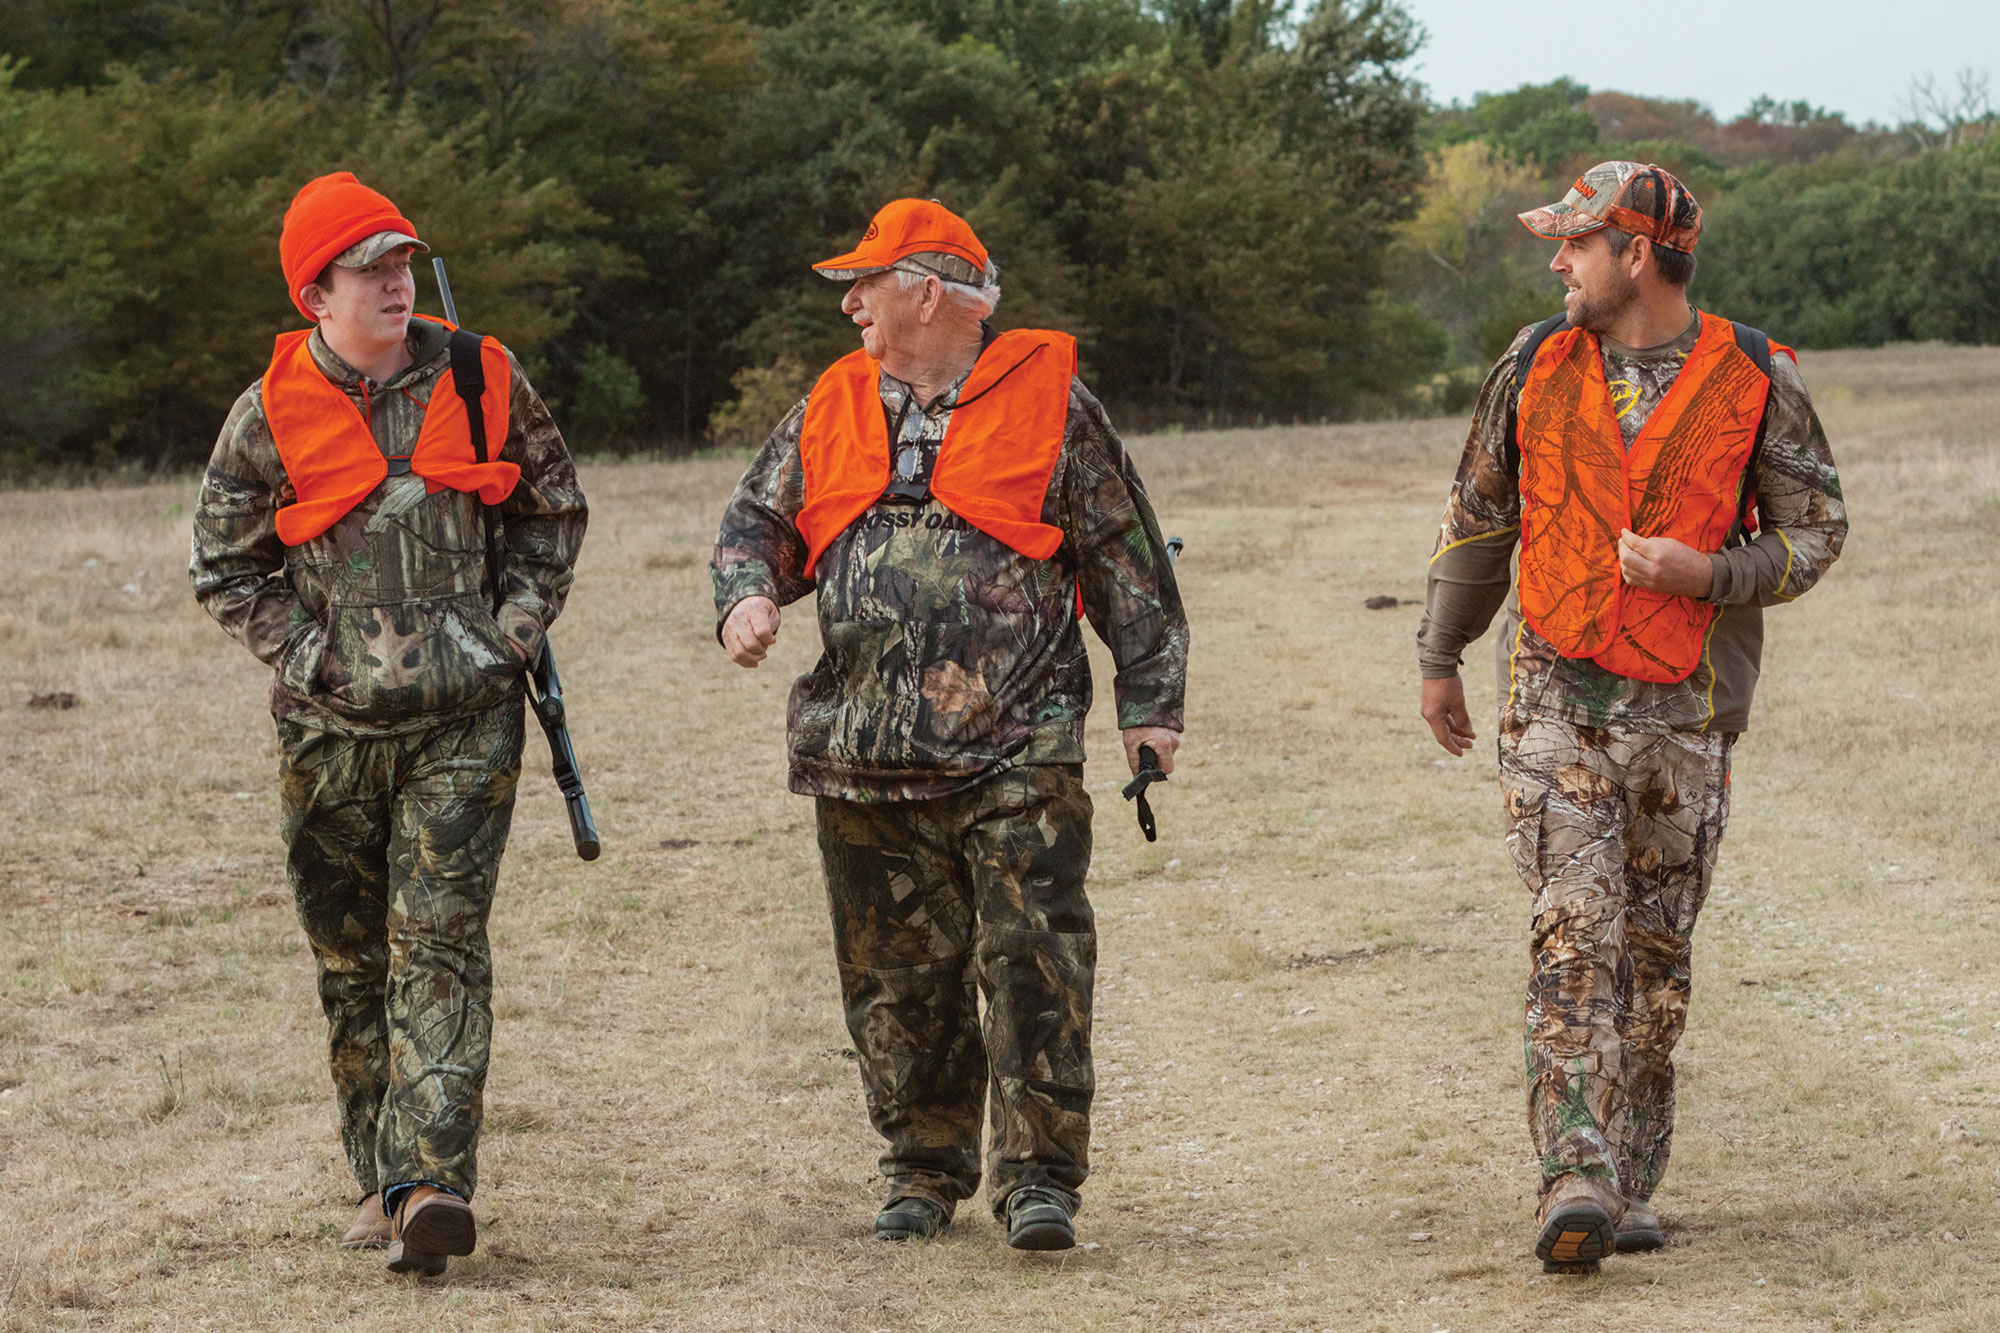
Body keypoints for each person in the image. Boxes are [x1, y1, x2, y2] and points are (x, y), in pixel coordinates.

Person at [709, 198, 1189, 1250]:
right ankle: (922, 1170)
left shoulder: (1055, 405)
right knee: (894, 979)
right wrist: (745, 595)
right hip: (860, 747)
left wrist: (1150, 709)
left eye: (867, 283)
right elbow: (756, 523)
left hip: (1019, 738)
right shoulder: (829, 404)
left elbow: (1126, 561)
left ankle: (1038, 1181)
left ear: (926, 291)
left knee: (1033, 959)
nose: (850, 304)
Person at [1416, 162, 1846, 1272]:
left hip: (1687, 714)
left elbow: (1812, 535)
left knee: (1653, 955)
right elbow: (1477, 512)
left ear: (1636, 253)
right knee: (1573, 929)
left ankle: (1630, 1179)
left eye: (1573, 243)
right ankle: (1572, 1168)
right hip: (1552, 697)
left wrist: (1705, 571)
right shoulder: (1531, 361)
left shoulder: (1757, 377)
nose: (1556, 263)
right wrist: (1439, 651)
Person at [189, 172, 587, 1276]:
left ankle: (430, 1186)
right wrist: (310, 658)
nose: (395, 283)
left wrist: (509, 629)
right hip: (328, 735)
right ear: (314, 293)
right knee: (351, 955)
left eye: (403, 263)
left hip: (468, 720)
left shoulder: (481, 374)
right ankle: (373, 1174)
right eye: (369, 269)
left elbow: (553, 512)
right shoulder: (265, 412)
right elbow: (222, 568)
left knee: (440, 945)